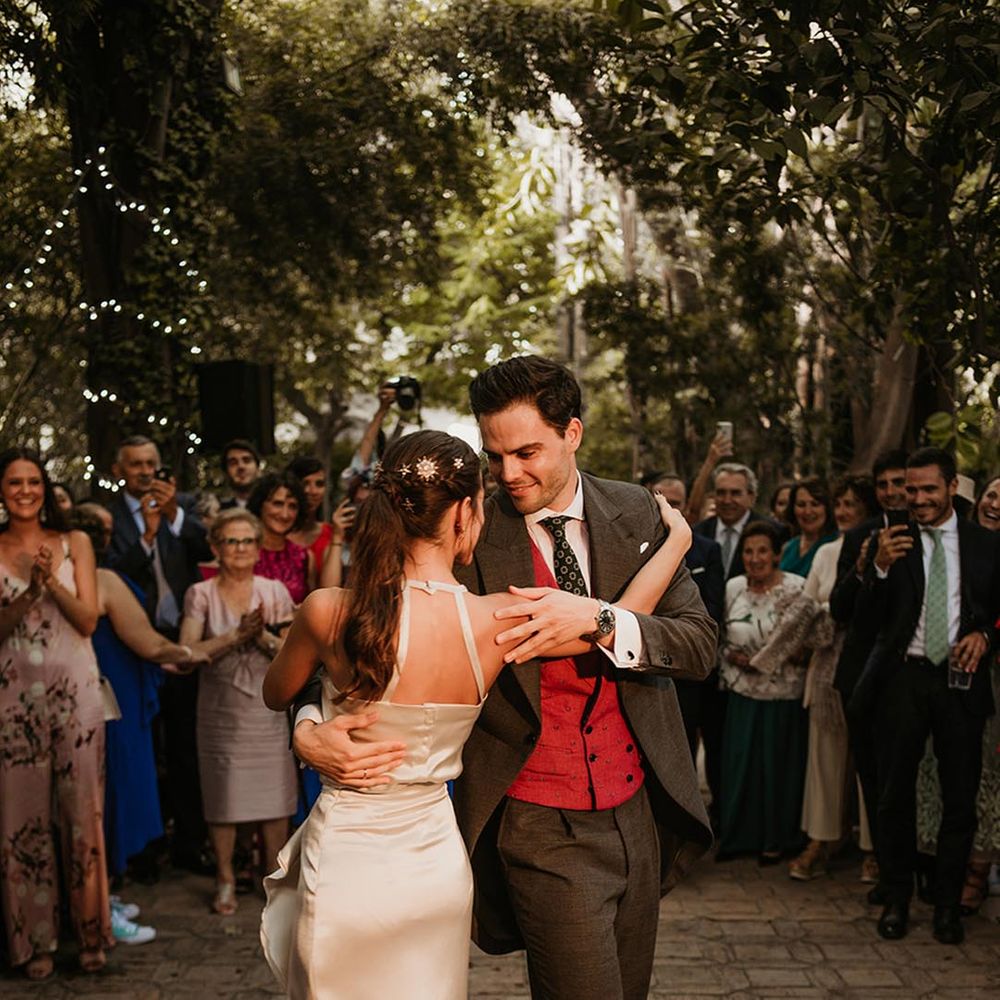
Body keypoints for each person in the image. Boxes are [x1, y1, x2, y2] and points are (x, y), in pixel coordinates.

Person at [289, 357, 717, 1000]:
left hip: (639, 807)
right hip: (535, 819)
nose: (508, 474)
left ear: (572, 434)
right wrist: (307, 723)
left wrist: (603, 621)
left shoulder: (637, 512)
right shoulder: (464, 535)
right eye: (495, 456)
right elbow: (351, 637)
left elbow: (699, 644)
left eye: (526, 453)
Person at [854, 447, 1000, 944]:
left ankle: (947, 906)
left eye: (927, 489)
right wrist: (876, 570)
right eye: (910, 489)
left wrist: (986, 636)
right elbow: (863, 621)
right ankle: (896, 898)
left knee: (960, 797)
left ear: (952, 487)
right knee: (895, 794)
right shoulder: (889, 540)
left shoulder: (986, 544)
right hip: (903, 679)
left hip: (961, 680)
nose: (915, 499)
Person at [72, 502, 208, 944]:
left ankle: (102, 898)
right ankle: (99, 906)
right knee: (109, 800)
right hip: (111, 701)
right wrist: (191, 653)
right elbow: (149, 644)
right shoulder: (102, 580)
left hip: (101, 693)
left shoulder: (67, 578)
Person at [0, 448, 108, 979]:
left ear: (45, 488)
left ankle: (91, 934)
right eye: (14, 482)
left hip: (75, 693)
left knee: (83, 814)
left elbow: (88, 620)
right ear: (1, 492)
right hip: (13, 698)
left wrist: (53, 582)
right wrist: (28, 595)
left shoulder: (75, 541)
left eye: (33, 481)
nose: (25, 490)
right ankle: (34, 941)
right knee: (21, 820)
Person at [181, 508, 297, 916]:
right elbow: (187, 652)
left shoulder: (274, 591)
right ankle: (226, 876)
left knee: (274, 793)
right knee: (223, 795)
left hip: (267, 706)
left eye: (248, 541)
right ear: (216, 547)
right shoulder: (200, 594)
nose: (241, 548)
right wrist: (234, 636)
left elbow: (292, 652)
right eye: (232, 541)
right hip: (220, 710)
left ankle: (273, 874)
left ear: (258, 548)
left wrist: (260, 636)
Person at [106, 434, 212, 875]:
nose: (146, 472)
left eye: (151, 463)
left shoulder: (180, 507)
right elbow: (109, 576)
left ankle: (190, 844)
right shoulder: (108, 516)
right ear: (119, 471)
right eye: (136, 465)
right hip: (133, 645)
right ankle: (145, 850)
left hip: (183, 637)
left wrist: (172, 515)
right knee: (144, 749)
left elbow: (208, 550)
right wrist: (147, 537)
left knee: (186, 747)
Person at [914, 472, 1000, 915]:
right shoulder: (955, 541)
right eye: (992, 494)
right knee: (940, 772)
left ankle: (977, 871)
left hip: (989, 681)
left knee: (987, 778)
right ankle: (937, 865)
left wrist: (987, 635)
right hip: (945, 678)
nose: (996, 505)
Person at [786, 475, 878, 880]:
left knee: (870, 761)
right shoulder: (825, 553)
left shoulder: (880, 545)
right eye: (839, 503)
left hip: (868, 665)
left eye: (851, 504)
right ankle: (821, 840)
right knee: (824, 757)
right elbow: (807, 609)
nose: (843, 511)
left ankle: (873, 847)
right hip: (825, 666)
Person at [829, 449, 909, 890]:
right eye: (884, 485)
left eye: (900, 483)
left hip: (917, 677)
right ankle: (887, 876)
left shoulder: (934, 537)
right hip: (863, 678)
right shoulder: (860, 536)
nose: (892, 492)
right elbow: (839, 609)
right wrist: (865, 567)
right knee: (874, 781)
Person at [717, 520, 808, 862]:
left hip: (782, 693)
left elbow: (805, 643)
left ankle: (776, 838)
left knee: (777, 769)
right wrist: (733, 657)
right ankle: (739, 837)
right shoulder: (733, 588)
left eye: (762, 551)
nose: (755, 559)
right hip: (741, 691)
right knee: (741, 767)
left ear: (776, 555)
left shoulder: (796, 588)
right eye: (748, 552)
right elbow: (721, 635)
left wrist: (769, 658)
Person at [643, 471, 727, 825]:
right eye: (660, 500)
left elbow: (711, 610)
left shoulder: (706, 549)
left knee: (697, 749)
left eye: (676, 502)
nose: (668, 508)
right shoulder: (631, 543)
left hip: (690, 670)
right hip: (643, 666)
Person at [694, 461, 775, 581]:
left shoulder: (772, 532)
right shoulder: (697, 533)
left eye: (735, 493)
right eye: (721, 493)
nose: (727, 500)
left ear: (751, 497)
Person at [244, 472, 316, 603]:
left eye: (292, 506)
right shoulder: (241, 551)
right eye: (277, 504)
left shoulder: (304, 557)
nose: (285, 514)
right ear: (260, 505)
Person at [779, 478, 838, 578]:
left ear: (828, 508)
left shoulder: (836, 545)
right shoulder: (787, 548)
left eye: (815, 504)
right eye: (801, 505)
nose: (808, 511)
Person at [219, 439, 262, 510]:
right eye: (233, 463)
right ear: (226, 473)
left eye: (247, 460)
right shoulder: (220, 512)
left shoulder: (275, 509)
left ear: (258, 468)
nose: (241, 466)